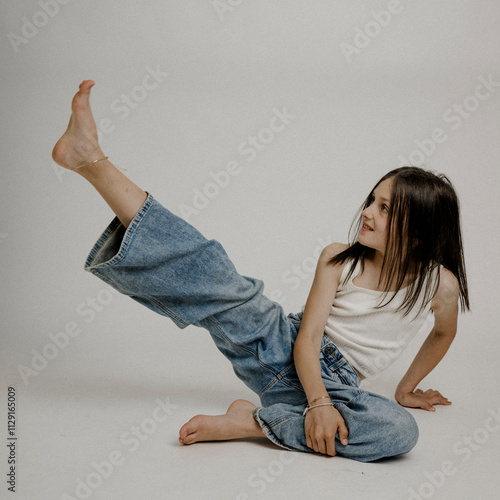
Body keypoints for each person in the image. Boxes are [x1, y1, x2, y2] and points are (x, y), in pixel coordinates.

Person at [52, 80, 470, 463]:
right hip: (284, 347)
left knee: (399, 429)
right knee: (214, 275)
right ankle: (91, 160)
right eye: (372, 200)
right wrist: (320, 405)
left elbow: (443, 332)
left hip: (340, 387)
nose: (367, 213)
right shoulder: (338, 258)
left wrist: (404, 390)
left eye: (384, 209)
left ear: (419, 234)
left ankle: (253, 421)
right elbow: (307, 339)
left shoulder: (441, 285)